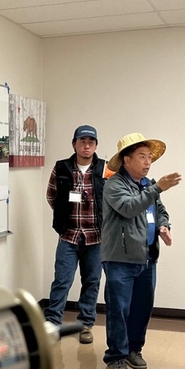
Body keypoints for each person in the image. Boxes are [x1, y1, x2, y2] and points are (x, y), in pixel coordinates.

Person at [101, 133, 181, 369]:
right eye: (142, 157)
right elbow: (129, 207)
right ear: (127, 160)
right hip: (120, 260)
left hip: (147, 258)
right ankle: (115, 357)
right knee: (119, 310)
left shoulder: (147, 184)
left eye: (149, 158)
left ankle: (134, 350)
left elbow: (160, 210)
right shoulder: (114, 185)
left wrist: (163, 226)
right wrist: (158, 188)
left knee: (141, 309)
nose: (148, 162)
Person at [45, 125, 106, 344]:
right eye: (82, 141)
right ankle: (52, 324)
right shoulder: (61, 167)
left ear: (96, 145)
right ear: (74, 144)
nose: (86, 145)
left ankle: (85, 325)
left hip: (96, 238)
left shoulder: (105, 169)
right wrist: (63, 218)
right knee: (62, 281)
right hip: (68, 236)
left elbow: (111, 200)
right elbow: (51, 195)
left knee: (92, 281)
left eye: (91, 141)